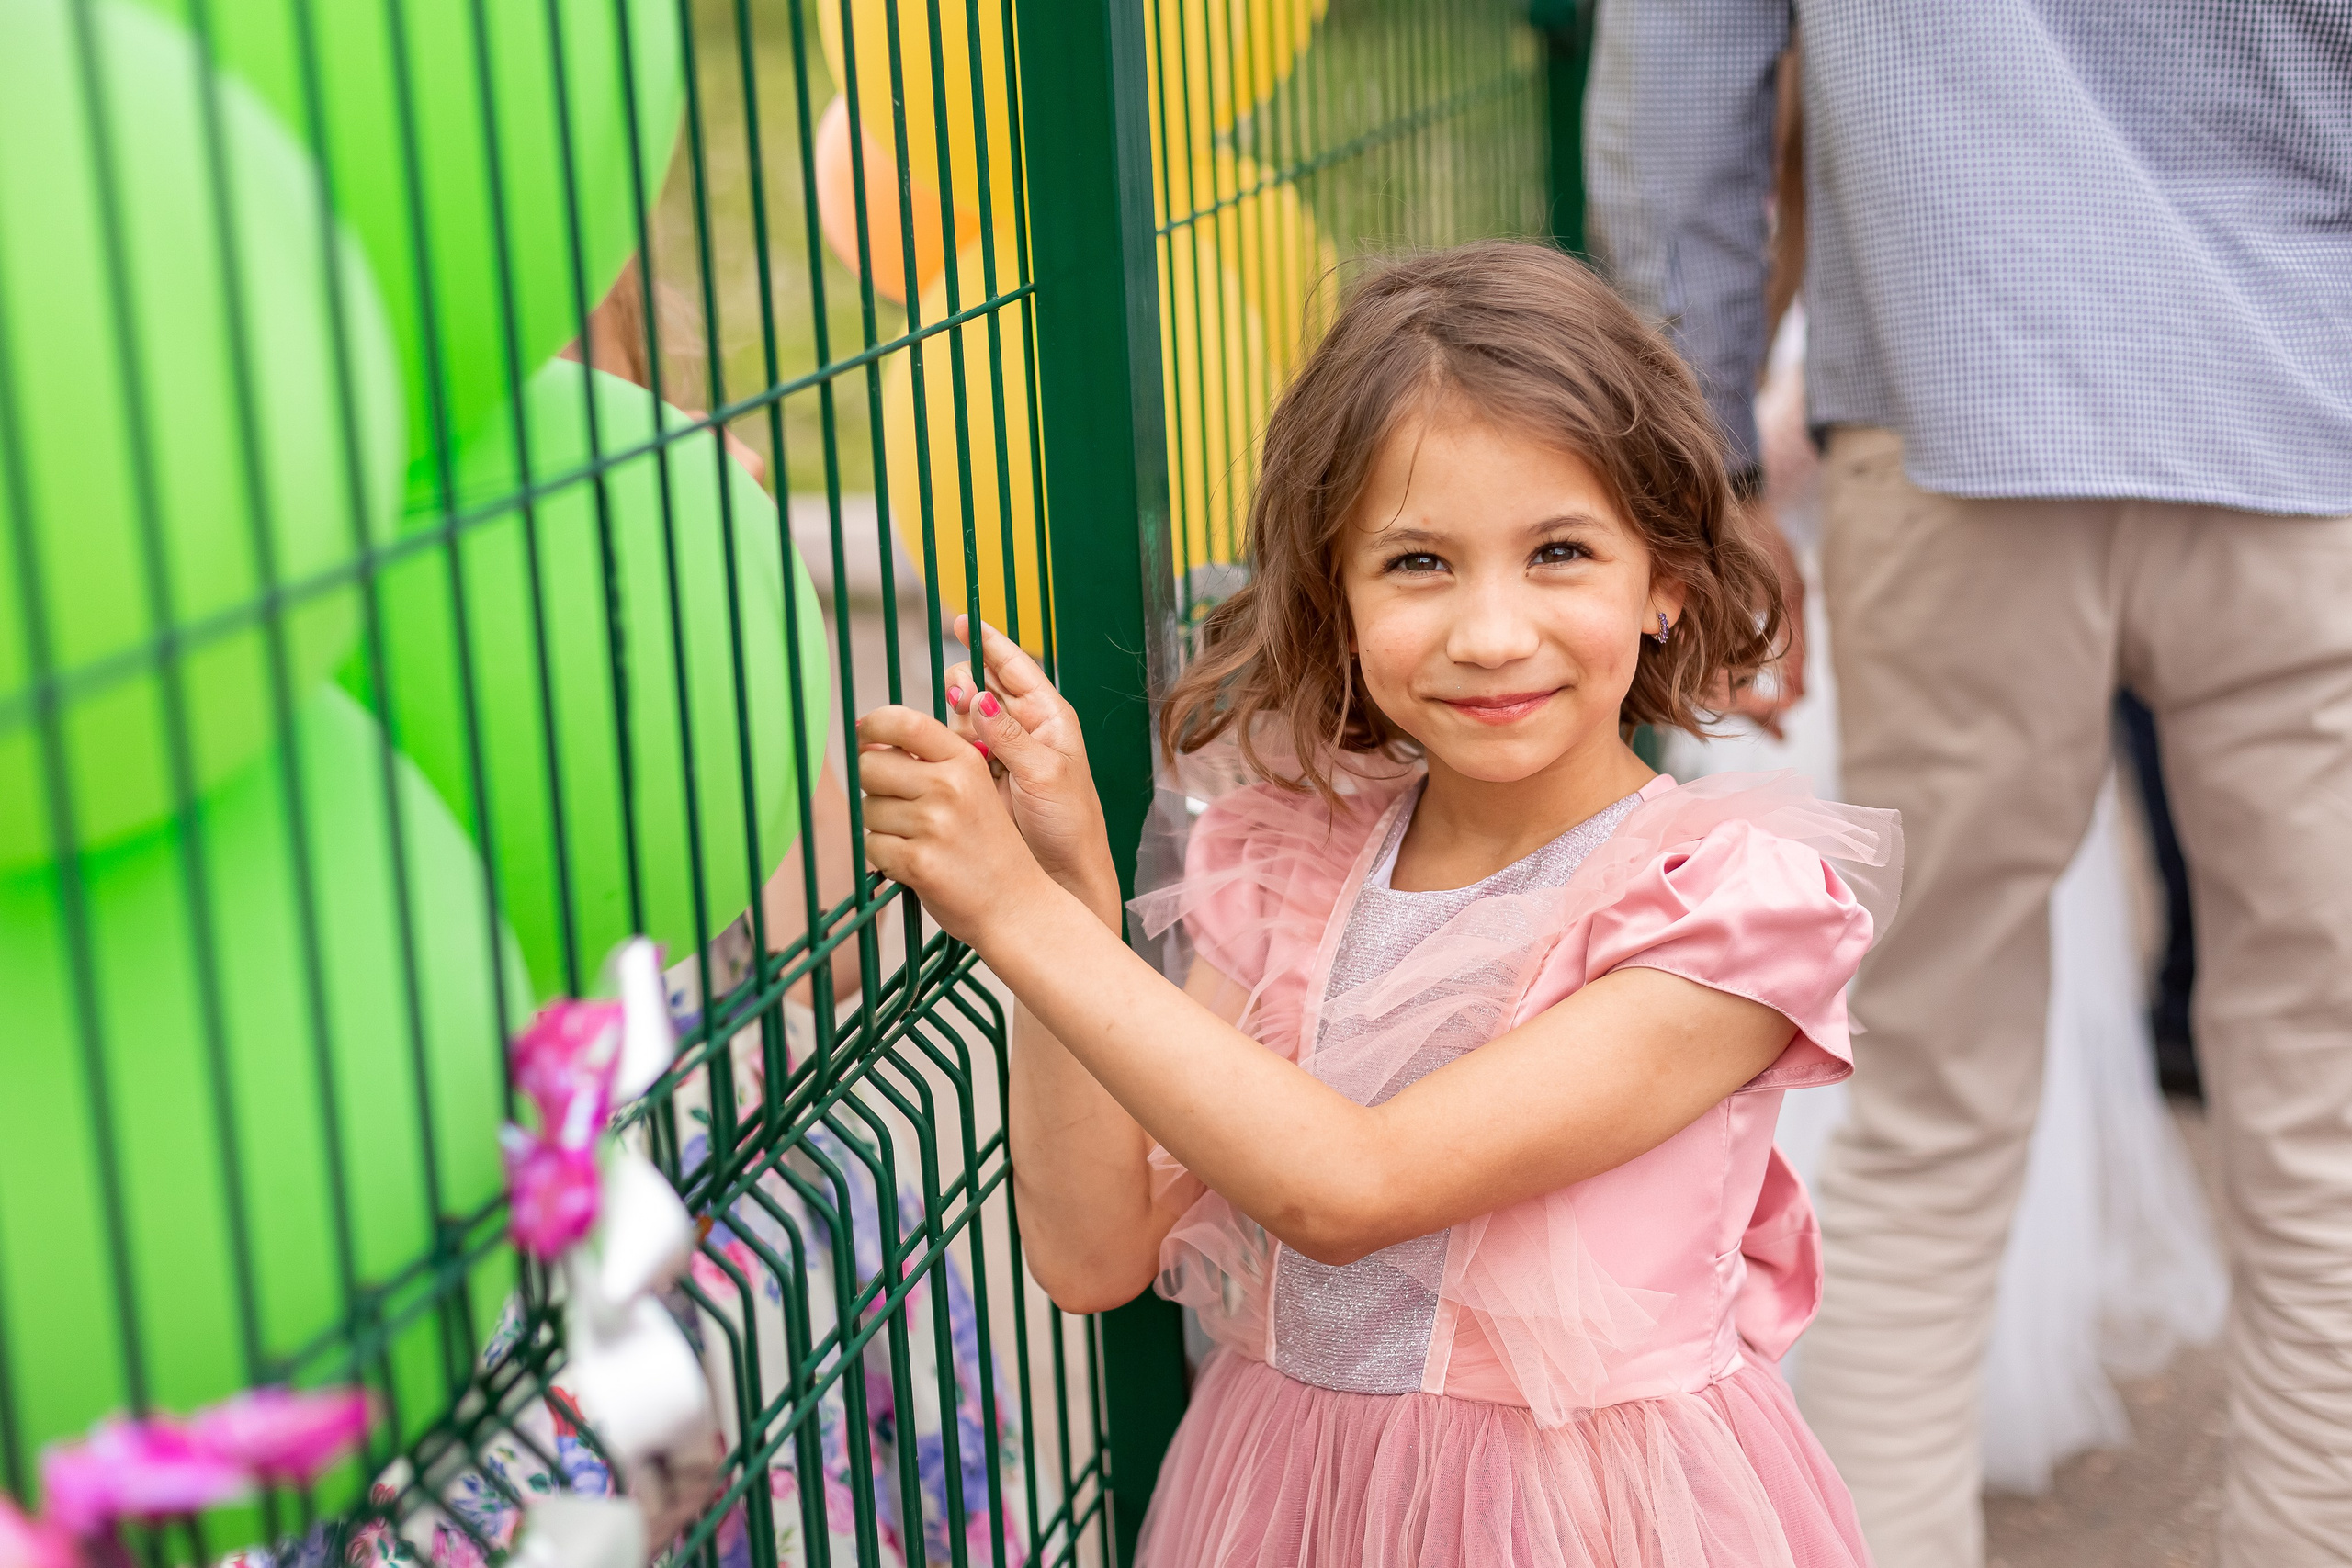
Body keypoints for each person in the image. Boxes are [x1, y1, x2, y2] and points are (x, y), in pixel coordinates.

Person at [855, 241, 1900, 1566]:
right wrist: (1069, 890)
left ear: (1667, 581)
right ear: (1336, 600)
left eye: (1560, 552)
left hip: (1586, 1526)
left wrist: (1017, 916)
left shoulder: (1721, 914)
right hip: (1285, 1504)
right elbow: (1089, 1251)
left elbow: (1354, 1186)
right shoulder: (1289, 862)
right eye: (1417, 564)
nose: (1490, 632)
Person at [1585, 7, 2352, 1565]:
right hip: (2307, 420)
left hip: (1955, 416)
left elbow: (1678, 83)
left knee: (1928, 1092)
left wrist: (1709, 470)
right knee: (2327, 1110)